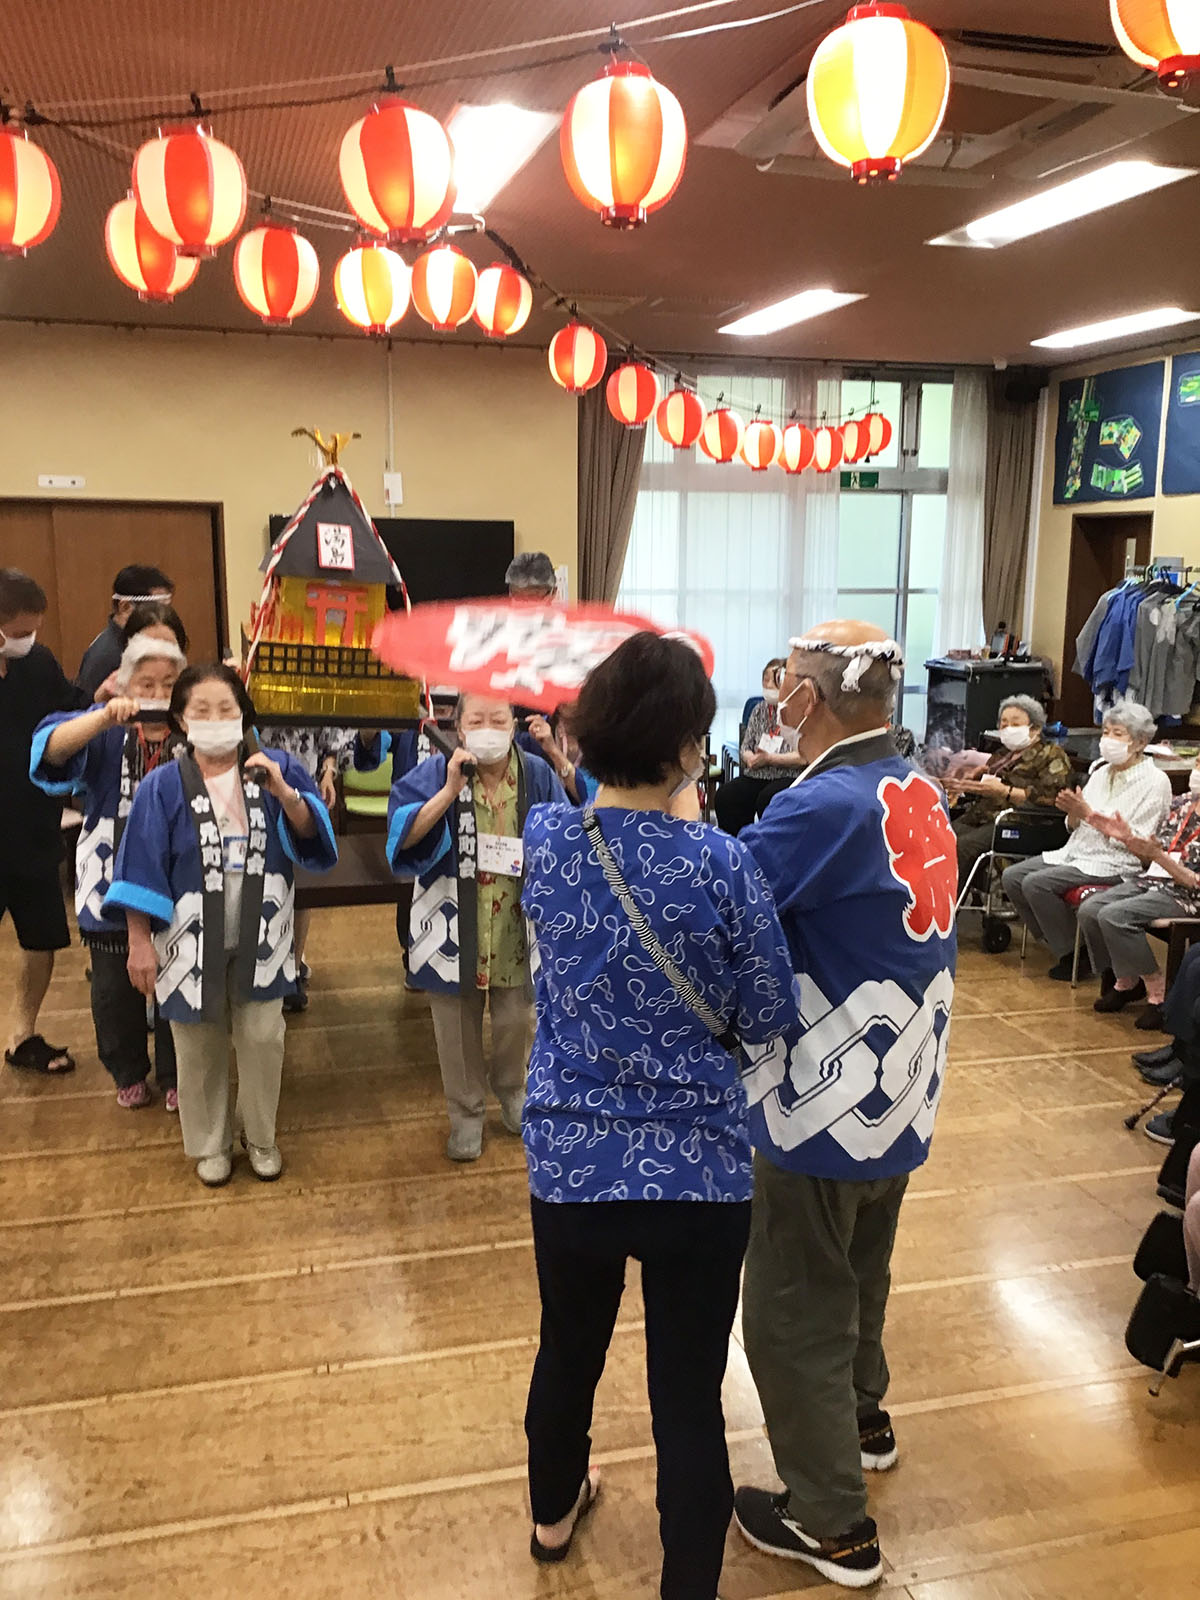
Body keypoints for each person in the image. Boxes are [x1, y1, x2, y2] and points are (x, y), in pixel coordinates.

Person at [520, 633, 802, 1600]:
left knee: (568, 1351)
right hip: (701, 1171)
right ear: (689, 746)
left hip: (572, 1157)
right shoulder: (725, 864)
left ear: (589, 732)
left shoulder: (548, 841)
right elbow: (770, 1014)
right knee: (687, 1393)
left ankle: (552, 1517)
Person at [732, 622, 958, 1590]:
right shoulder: (915, 787)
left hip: (824, 1106)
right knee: (862, 1267)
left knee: (791, 1305)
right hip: (901, 1090)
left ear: (807, 699)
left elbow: (721, 897)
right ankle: (863, 1416)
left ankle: (830, 1520)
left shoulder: (821, 805)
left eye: (786, 684)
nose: (776, 699)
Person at [104, 664, 337, 1186]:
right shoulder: (161, 786)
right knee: (196, 1045)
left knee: (263, 1038)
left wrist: (285, 793)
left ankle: (261, 1136)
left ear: (243, 715)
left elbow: (312, 836)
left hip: (263, 934)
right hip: (187, 942)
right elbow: (138, 866)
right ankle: (210, 1144)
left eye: (226, 709)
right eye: (201, 711)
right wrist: (139, 941)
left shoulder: (274, 768)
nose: (215, 720)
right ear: (181, 721)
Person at [385, 693, 566, 1162]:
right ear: (460, 727)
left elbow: (565, 837)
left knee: (516, 1019)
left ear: (513, 725)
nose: (488, 728)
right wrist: (448, 792)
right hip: (452, 920)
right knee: (455, 1026)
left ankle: (514, 1091)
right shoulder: (435, 771)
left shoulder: (536, 774)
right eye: (477, 719)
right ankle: (465, 1114)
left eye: (498, 719)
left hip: (514, 921)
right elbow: (401, 836)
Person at [31, 630, 186, 1108]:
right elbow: (50, 750)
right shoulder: (104, 731)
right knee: (113, 988)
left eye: (169, 684)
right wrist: (102, 715)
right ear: (124, 684)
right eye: (146, 684)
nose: (157, 694)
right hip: (109, 877)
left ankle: (178, 1072)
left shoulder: (193, 733)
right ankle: (127, 1069)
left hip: (181, 880)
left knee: (181, 977)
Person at [1002, 701, 1171, 982]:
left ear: (1140, 742)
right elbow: (1073, 827)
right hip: (1078, 853)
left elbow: (1139, 843)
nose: (1108, 739)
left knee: (1036, 883)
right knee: (1013, 877)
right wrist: (1072, 813)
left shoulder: (1156, 782)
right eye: (1106, 732)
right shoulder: (1101, 772)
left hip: (1116, 861)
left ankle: (1074, 955)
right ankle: (1067, 943)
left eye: (1117, 733)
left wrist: (1088, 815)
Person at [0, 569, 86, 1076]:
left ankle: (22, 1035)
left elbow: (73, 707)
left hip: (33, 829)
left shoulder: (39, 662)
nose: (26, 641)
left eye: (32, 631)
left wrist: (104, 699)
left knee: (42, 939)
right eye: (18, 633)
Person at [1076, 756, 1200, 1029]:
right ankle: (1127, 979)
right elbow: (1151, 853)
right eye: (1198, 763)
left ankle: (1157, 990)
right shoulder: (1182, 804)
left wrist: (1158, 856)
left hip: (1187, 896)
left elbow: (1194, 882)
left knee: (1113, 915)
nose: (1197, 771)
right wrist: (1125, 837)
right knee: (1089, 908)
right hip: (1154, 879)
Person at [265, 723, 354, 1012]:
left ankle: (294, 967)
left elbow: (332, 738)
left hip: (304, 785)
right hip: (260, 785)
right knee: (267, 878)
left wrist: (328, 773)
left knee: (303, 879)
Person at [947, 694, 1073, 887]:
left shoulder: (1051, 755)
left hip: (1021, 822)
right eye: (1003, 723)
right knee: (941, 836)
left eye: (1015, 724)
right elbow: (987, 788)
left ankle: (951, 901)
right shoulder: (1002, 755)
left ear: (1035, 728)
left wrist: (1005, 791)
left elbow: (1052, 799)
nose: (1007, 728)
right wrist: (973, 780)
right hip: (984, 815)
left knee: (963, 846)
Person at [715, 657, 801, 836]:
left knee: (768, 799)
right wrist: (749, 758)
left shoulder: (799, 712)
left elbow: (803, 756)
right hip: (757, 773)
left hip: (787, 775)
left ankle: (765, 845)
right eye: (765, 680)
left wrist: (770, 759)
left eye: (774, 680)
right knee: (727, 795)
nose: (768, 685)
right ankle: (736, 844)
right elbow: (746, 746)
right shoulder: (759, 710)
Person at [76, 564, 173, 701]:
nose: (164, 617)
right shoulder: (109, 655)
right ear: (125, 607)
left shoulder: (126, 644)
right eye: (157, 609)